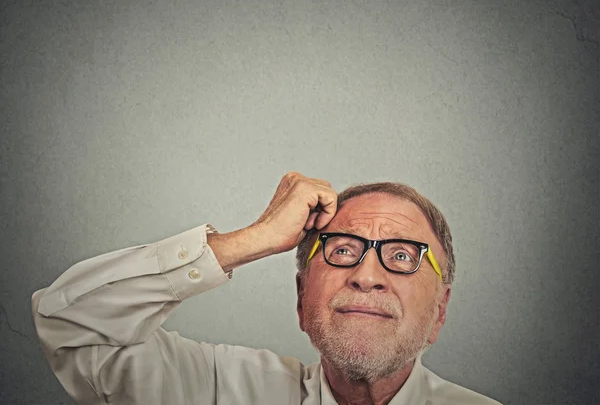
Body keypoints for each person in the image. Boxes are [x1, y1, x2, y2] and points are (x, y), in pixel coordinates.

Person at [32, 172, 501, 404]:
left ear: (440, 311)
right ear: (301, 300)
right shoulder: (217, 390)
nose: (367, 274)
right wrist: (250, 239)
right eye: (341, 250)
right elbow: (70, 324)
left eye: (402, 256)